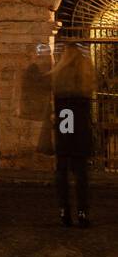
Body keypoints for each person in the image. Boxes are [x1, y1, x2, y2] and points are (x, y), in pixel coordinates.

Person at [48, 42, 96, 228]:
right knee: (81, 173)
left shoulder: (58, 77)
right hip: (80, 128)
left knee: (61, 171)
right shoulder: (84, 78)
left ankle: (64, 211)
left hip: (64, 127)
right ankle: (83, 212)